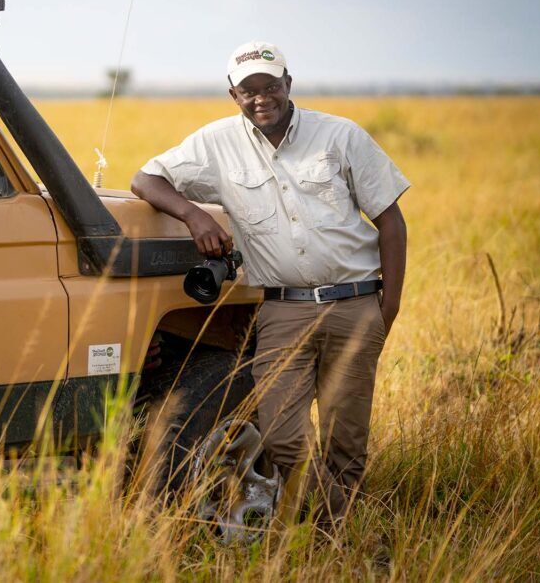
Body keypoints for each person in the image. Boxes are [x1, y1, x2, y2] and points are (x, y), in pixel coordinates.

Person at [131, 41, 409, 527]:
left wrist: (389, 307)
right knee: (281, 435)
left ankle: (333, 540)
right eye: (249, 90)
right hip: (282, 310)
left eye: (271, 86)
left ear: (288, 84)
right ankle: (337, 522)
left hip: (354, 304)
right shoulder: (217, 142)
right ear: (233, 94)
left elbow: (391, 221)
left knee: (346, 438)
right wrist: (195, 216)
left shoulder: (339, 136)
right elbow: (145, 179)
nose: (262, 98)